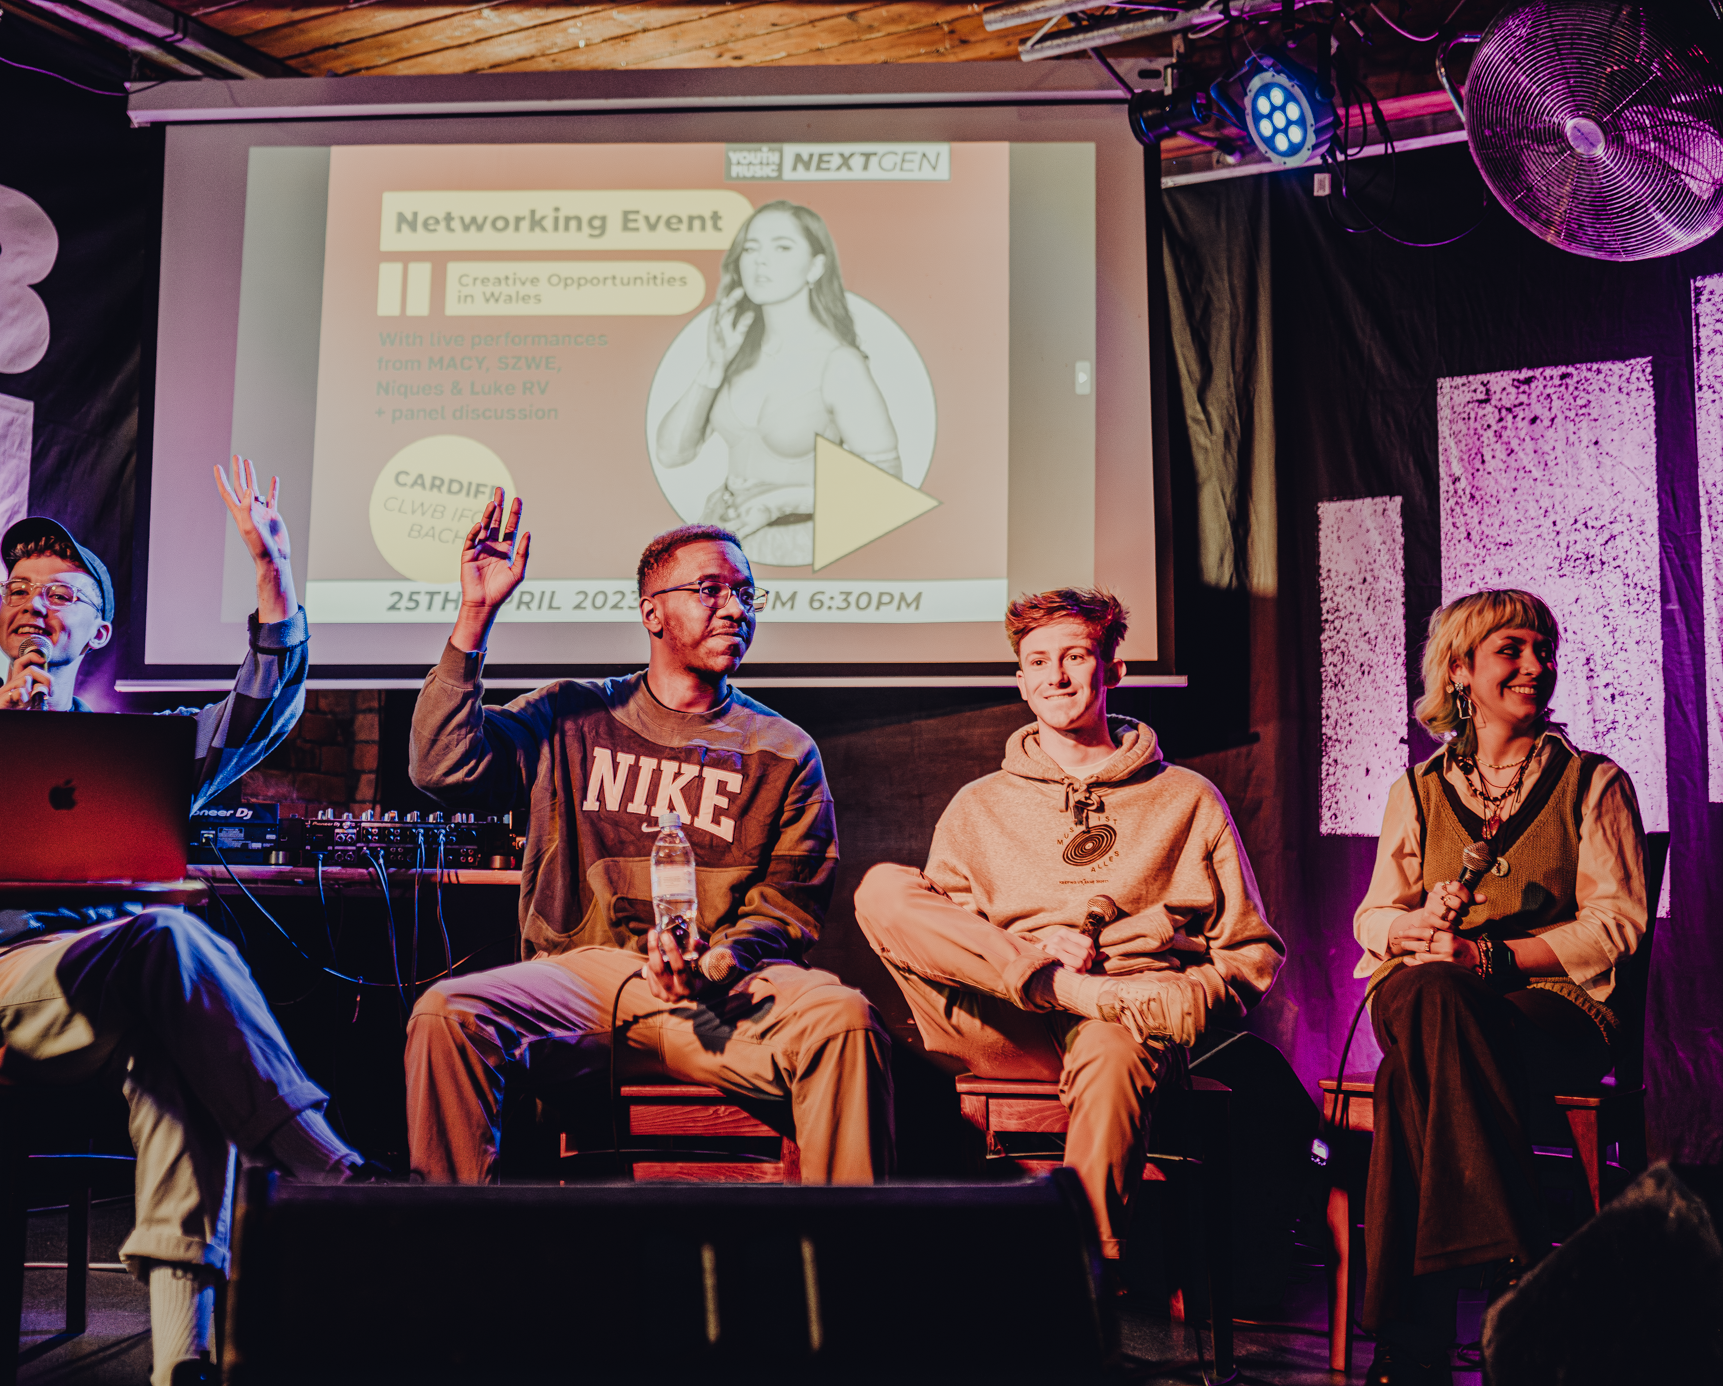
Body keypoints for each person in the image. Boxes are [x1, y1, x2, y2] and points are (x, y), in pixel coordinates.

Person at [0, 458, 380, 1386]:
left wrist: (273, 578)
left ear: (98, 631)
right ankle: (322, 1165)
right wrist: (3, 742)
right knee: (170, 941)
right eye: (18, 591)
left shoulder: (130, 752)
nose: (33, 605)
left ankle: (181, 1365)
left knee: (177, 1043)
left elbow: (259, 718)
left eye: (60, 593)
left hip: (115, 992)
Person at [404, 491, 893, 1182]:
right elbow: (440, 766)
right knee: (446, 1013)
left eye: (747, 593)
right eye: (710, 589)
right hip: (587, 976)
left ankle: (846, 1278)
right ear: (652, 612)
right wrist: (475, 618)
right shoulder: (572, 714)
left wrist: (714, 963)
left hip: (726, 989)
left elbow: (789, 908)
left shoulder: (784, 749)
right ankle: (451, 1275)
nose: (735, 607)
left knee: (844, 1017)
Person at [854, 587, 1283, 1263]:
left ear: (1111, 669)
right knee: (882, 888)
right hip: (999, 1020)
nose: (1056, 676)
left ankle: (1081, 1281)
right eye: (1039, 661)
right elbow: (949, 940)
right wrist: (1033, 961)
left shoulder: (1189, 799)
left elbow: (1249, 955)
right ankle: (1057, 985)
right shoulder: (978, 806)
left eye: (1075, 656)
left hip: (1122, 1016)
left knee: (1115, 1044)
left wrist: (1178, 1000)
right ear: (1021, 681)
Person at [1348, 590, 1647, 1386]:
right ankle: (1522, 1264)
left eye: (1543, 649)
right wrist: (1406, 931)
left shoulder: (1594, 783)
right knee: (1427, 994)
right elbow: (1371, 917)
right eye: (1512, 650)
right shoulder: (1416, 790)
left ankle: (1409, 1345)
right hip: (1438, 1000)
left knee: (1407, 1068)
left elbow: (1616, 926)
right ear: (1460, 671)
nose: (1536, 666)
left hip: (1555, 1011)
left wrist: (1495, 961)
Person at [653, 201, 901, 567]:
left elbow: (886, 488)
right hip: (723, 549)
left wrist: (779, 501)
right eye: (751, 249)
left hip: (802, 549)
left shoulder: (838, 363)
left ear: (816, 266)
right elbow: (672, 453)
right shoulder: (736, 353)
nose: (760, 261)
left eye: (782, 247)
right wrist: (714, 365)